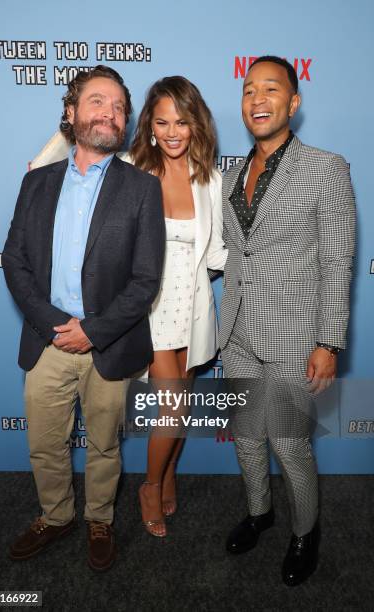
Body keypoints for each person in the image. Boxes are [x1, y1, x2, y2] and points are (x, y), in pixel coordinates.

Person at [2, 65, 165, 571]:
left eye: (118, 106)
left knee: (104, 446)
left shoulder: (141, 188)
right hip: (47, 340)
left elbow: (145, 280)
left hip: (108, 346)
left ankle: (99, 517)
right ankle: (56, 516)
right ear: (71, 113)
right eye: (97, 101)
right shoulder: (37, 183)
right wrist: (55, 323)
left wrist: (91, 331)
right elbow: (15, 260)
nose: (110, 113)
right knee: (46, 444)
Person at [220, 56, 355, 585]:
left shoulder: (327, 167)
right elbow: (235, 252)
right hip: (235, 329)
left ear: (292, 103)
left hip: (295, 335)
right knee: (248, 437)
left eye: (270, 89)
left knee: (290, 443)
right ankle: (260, 512)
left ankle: (305, 531)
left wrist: (329, 340)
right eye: (249, 89)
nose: (257, 98)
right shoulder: (231, 173)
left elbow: (337, 259)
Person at [127, 76, 227, 537]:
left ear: (195, 125)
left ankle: (167, 474)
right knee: (171, 408)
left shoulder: (209, 177)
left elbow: (219, 252)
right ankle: (150, 485)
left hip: (192, 305)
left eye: (181, 122)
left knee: (180, 408)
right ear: (149, 124)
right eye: (162, 121)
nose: (172, 132)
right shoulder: (129, 169)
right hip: (149, 307)